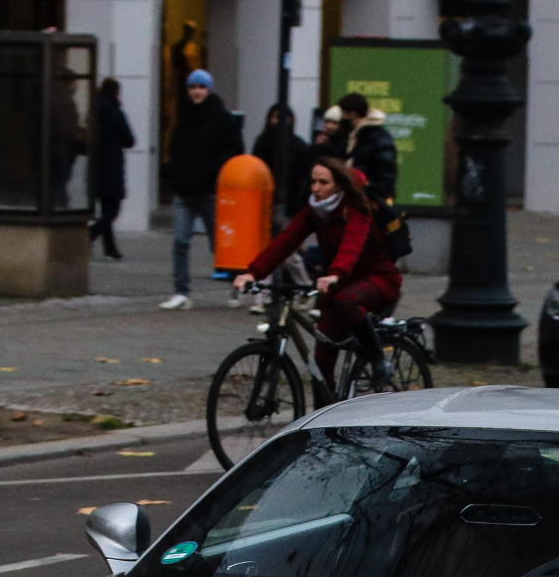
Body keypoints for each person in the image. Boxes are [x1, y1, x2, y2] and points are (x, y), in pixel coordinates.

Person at [232, 160, 401, 392]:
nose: (316, 188)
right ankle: (323, 418)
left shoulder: (356, 206)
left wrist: (335, 273)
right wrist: (253, 273)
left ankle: (378, 360)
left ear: (339, 185)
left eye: (324, 182)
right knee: (321, 363)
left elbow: (353, 242)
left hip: (379, 277)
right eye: (313, 181)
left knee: (348, 300)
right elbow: (285, 241)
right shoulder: (315, 210)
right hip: (338, 284)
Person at [162, 68, 241, 310]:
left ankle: (237, 286)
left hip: (210, 191)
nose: (196, 92)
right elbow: (175, 149)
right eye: (192, 87)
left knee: (221, 244)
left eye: (201, 87)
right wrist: (175, 175)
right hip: (184, 191)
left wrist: (212, 171)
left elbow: (234, 150)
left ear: (209, 89)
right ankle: (181, 292)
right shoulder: (184, 116)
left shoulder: (222, 117)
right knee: (180, 241)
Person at [327, 91, 397, 208]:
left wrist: (375, 197)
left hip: (368, 200)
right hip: (352, 196)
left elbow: (385, 175)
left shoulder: (376, 137)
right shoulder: (350, 134)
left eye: (344, 114)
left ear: (352, 113)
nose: (342, 118)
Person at [89, 77, 134, 259]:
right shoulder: (116, 113)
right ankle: (91, 233)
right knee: (112, 211)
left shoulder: (93, 112)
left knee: (106, 209)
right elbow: (129, 140)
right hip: (112, 165)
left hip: (96, 165)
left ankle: (110, 249)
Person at [252, 103, 309, 229]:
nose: (279, 121)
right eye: (276, 117)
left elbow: (302, 174)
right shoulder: (262, 143)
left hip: (289, 197)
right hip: (266, 196)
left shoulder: (298, 145)